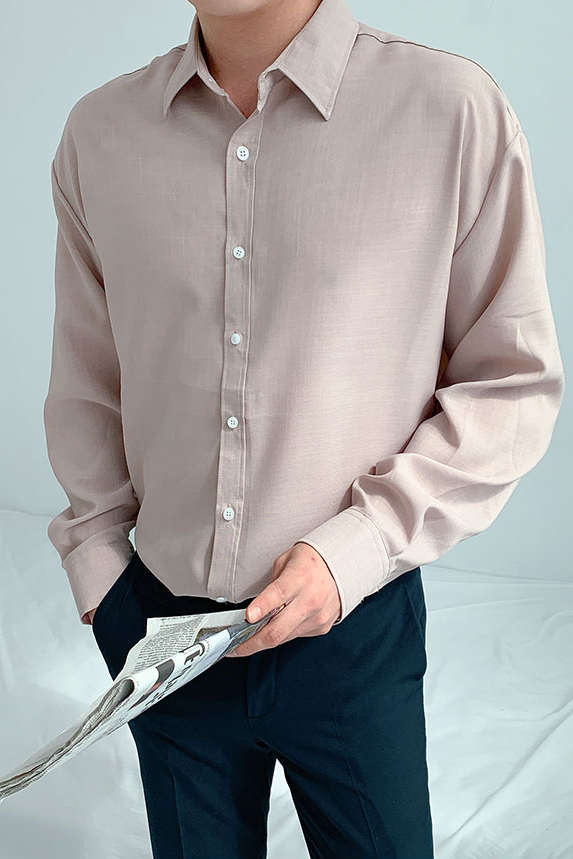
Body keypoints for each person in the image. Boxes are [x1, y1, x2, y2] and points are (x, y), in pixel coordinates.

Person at [43, 0, 565, 856]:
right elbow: (89, 376)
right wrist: (104, 579)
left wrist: (356, 547)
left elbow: (509, 381)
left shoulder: (449, 111)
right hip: (160, 634)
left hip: (354, 632)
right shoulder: (100, 133)